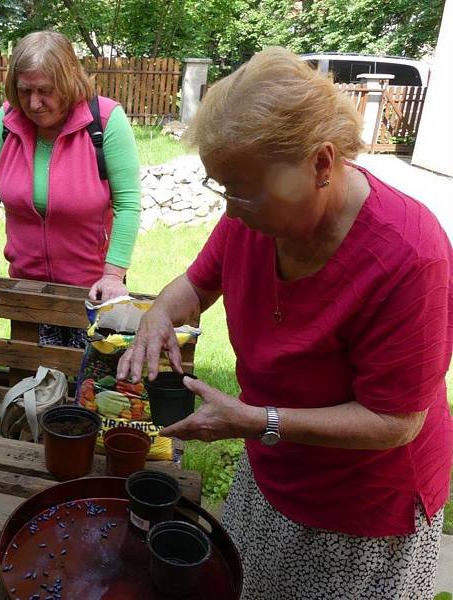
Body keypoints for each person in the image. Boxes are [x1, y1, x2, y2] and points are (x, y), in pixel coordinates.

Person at [118, 47, 452, 599]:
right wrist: (157, 313)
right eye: (221, 187)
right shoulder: (255, 219)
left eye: (243, 190)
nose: (229, 209)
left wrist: (256, 420)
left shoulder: (410, 255)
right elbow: (197, 284)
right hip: (272, 464)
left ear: (322, 163)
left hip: (363, 511)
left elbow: (394, 421)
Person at [0, 30, 141, 348]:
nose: (34, 103)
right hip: (27, 291)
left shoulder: (106, 120)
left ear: (69, 80)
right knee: (35, 382)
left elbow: (128, 205)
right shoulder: (7, 121)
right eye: (25, 90)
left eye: (45, 91)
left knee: (87, 390)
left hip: (93, 290)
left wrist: (113, 276)